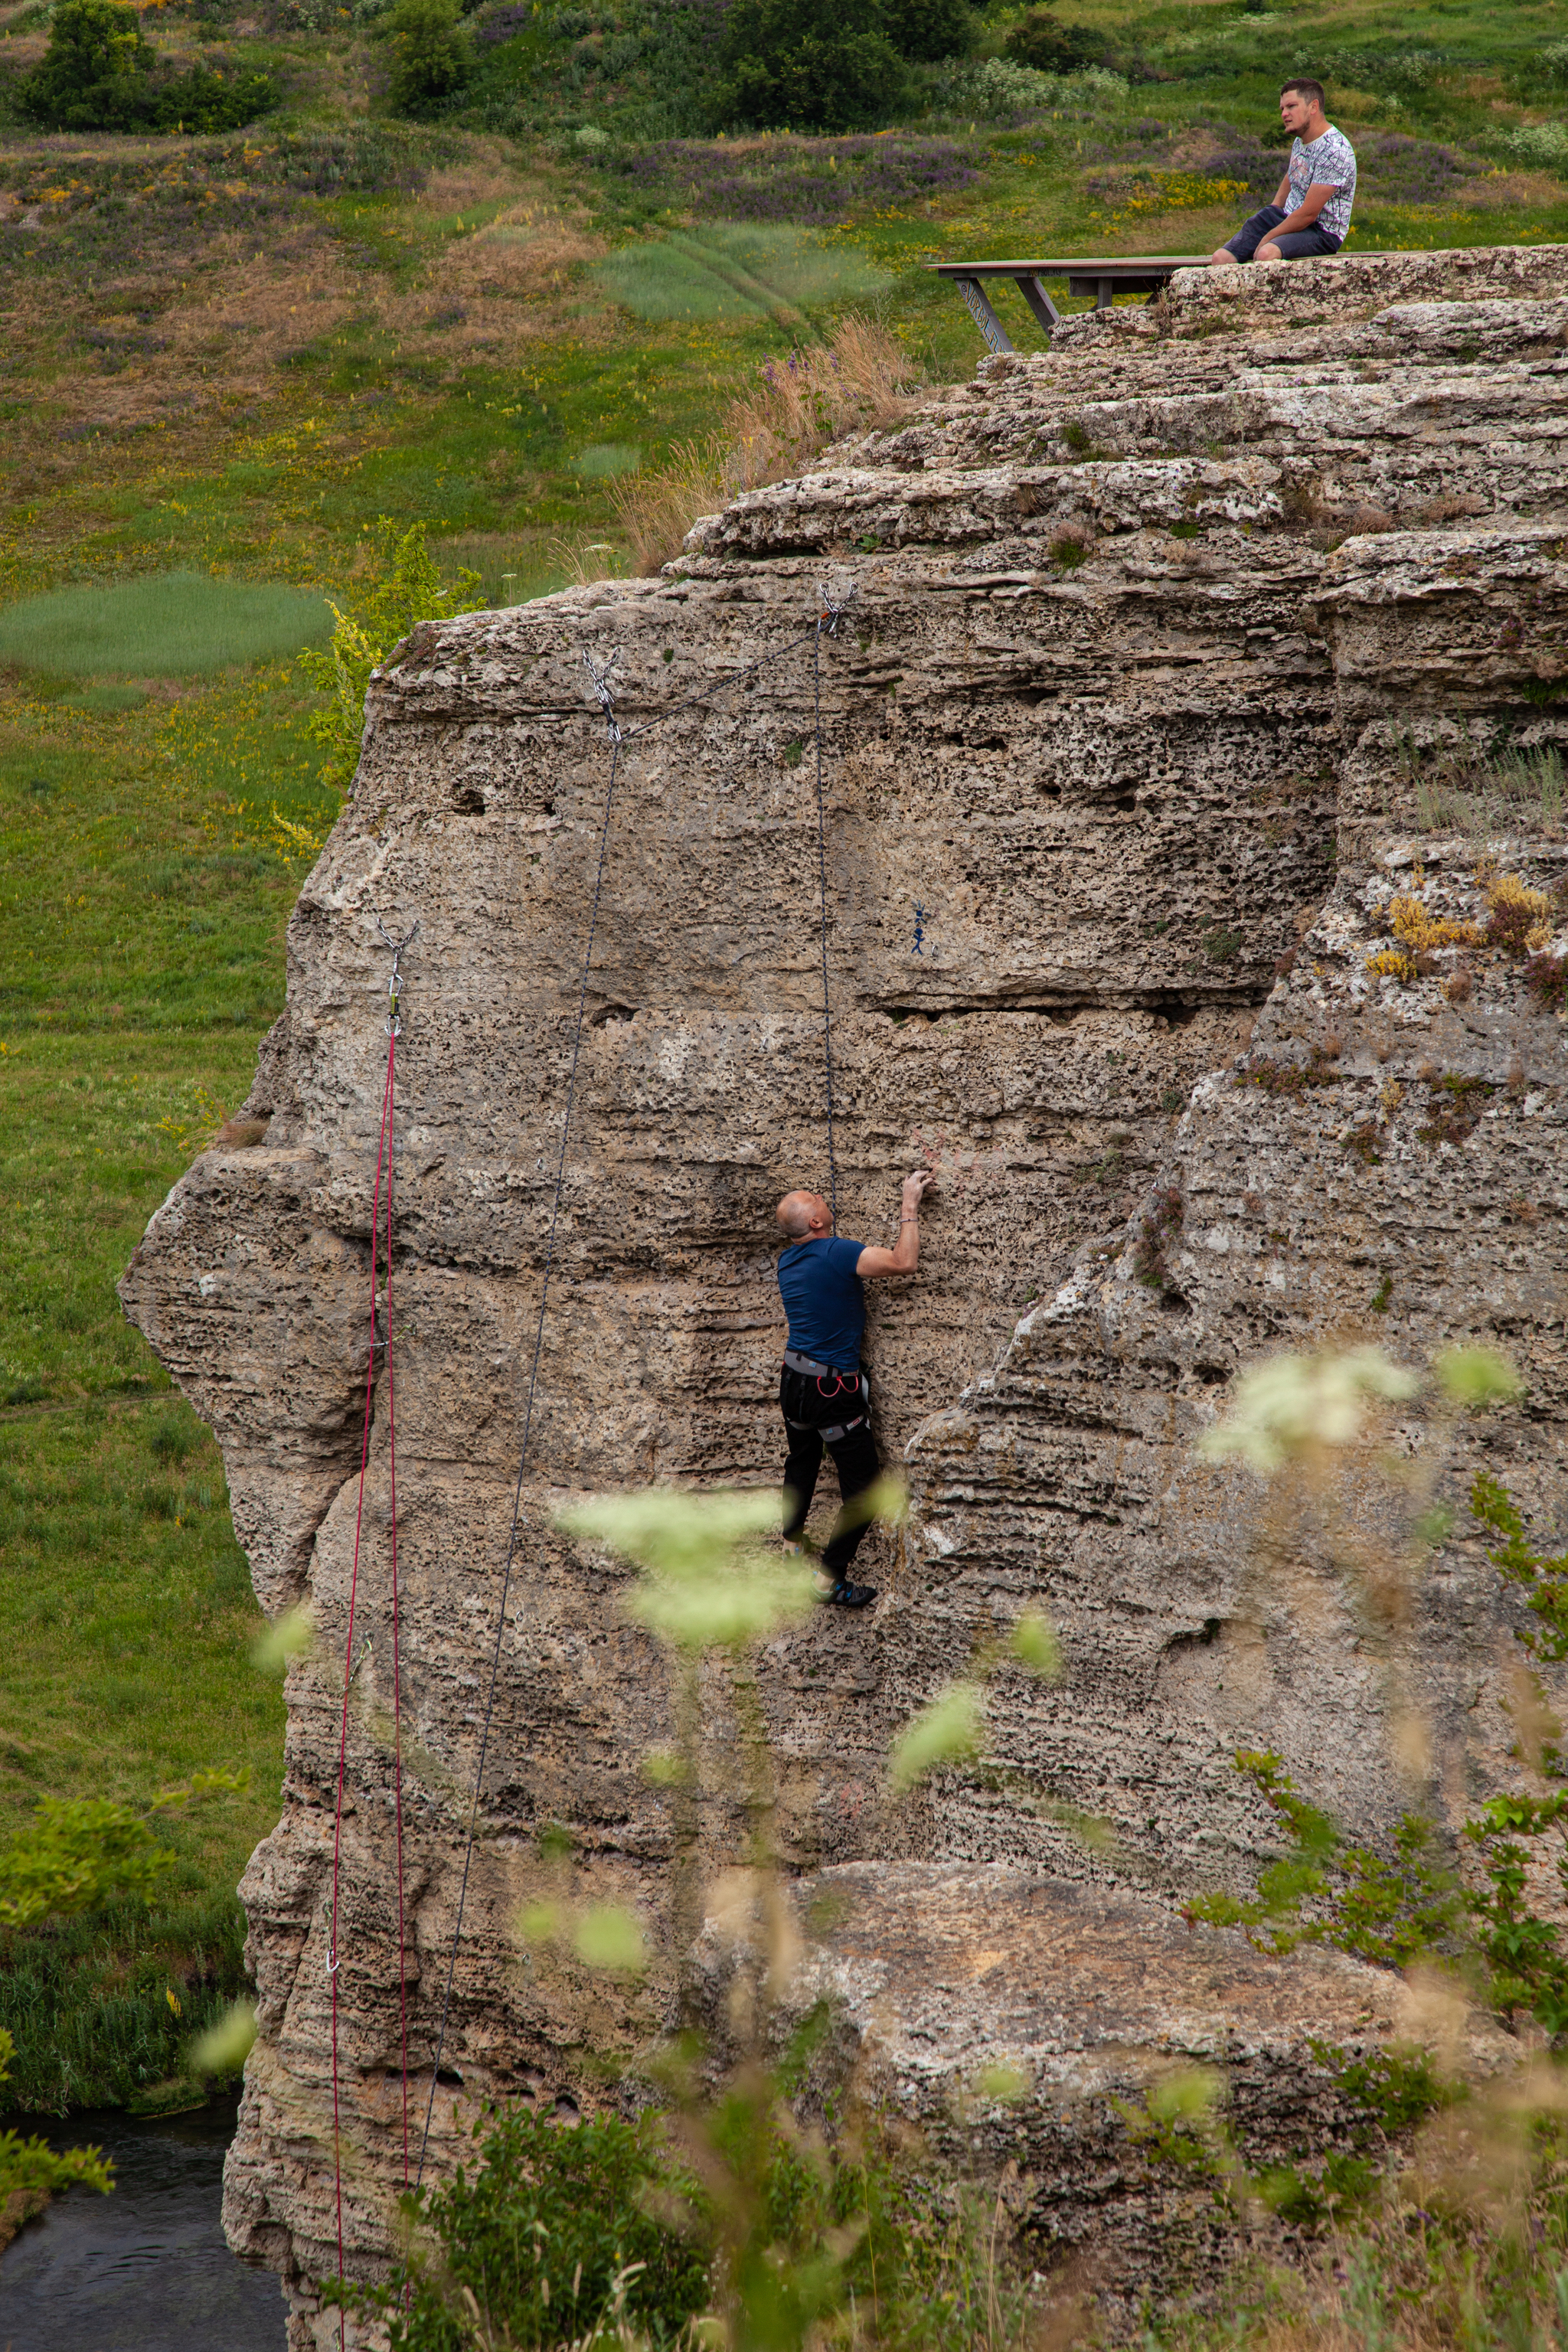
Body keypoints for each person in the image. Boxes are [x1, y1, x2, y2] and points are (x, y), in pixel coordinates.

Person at [773, 1168, 936, 1612]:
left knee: (802, 1459)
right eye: (816, 1197)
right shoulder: (838, 1253)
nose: (823, 1197)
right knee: (864, 1491)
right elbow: (904, 1264)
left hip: (793, 1382)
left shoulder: (789, 1260)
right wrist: (909, 1205)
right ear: (815, 1223)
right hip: (831, 1390)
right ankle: (828, 1581)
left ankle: (791, 1544)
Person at [1210, 80, 1356, 268]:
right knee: (1221, 259)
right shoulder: (1300, 141)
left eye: (1291, 106)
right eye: (1282, 109)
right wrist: (1274, 209)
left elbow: (1308, 215)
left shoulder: (1335, 151)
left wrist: (1268, 237)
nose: (1284, 114)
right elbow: (1292, 175)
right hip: (1287, 217)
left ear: (1314, 107)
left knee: (1266, 254)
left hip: (1321, 231)